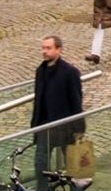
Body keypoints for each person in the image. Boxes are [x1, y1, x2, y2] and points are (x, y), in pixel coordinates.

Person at [31, 34, 84, 173]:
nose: (44, 51)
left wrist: (79, 128)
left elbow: (76, 100)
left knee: (72, 163)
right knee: (41, 163)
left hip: (65, 126)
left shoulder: (70, 72)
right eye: (43, 48)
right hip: (45, 126)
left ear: (59, 49)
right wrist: (35, 125)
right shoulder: (40, 71)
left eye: (48, 48)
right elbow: (38, 101)